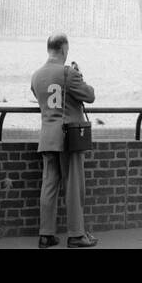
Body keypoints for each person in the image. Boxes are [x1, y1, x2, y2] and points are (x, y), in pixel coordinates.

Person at [30, 33, 98, 248]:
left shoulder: (36, 75)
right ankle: (77, 234)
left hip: (47, 136)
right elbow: (89, 95)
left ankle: (46, 234)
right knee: (74, 186)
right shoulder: (69, 73)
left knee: (49, 185)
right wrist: (79, 75)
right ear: (63, 49)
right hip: (69, 137)